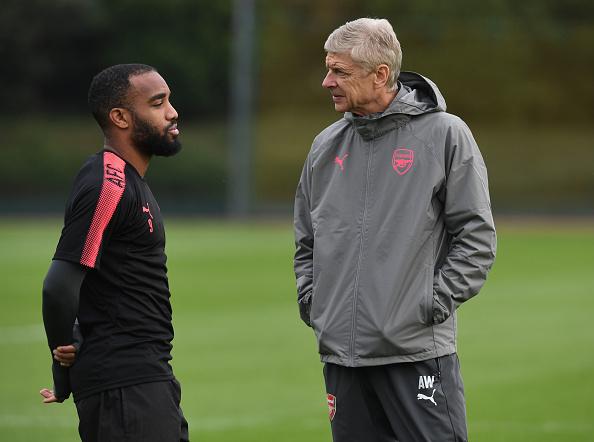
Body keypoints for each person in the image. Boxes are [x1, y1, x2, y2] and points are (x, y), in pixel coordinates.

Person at [293, 18, 496, 442]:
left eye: (339, 71)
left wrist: (428, 304)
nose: (326, 81)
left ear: (380, 74)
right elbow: (307, 240)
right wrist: (315, 302)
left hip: (414, 353)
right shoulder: (324, 146)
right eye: (328, 69)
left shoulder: (446, 135)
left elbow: (476, 238)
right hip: (342, 360)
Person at [40, 63, 189, 442]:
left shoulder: (128, 181)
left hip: (145, 376)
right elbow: (59, 286)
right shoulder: (108, 183)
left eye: (169, 101)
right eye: (158, 103)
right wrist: (63, 368)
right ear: (120, 117)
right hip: (124, 386)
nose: (172, 112)